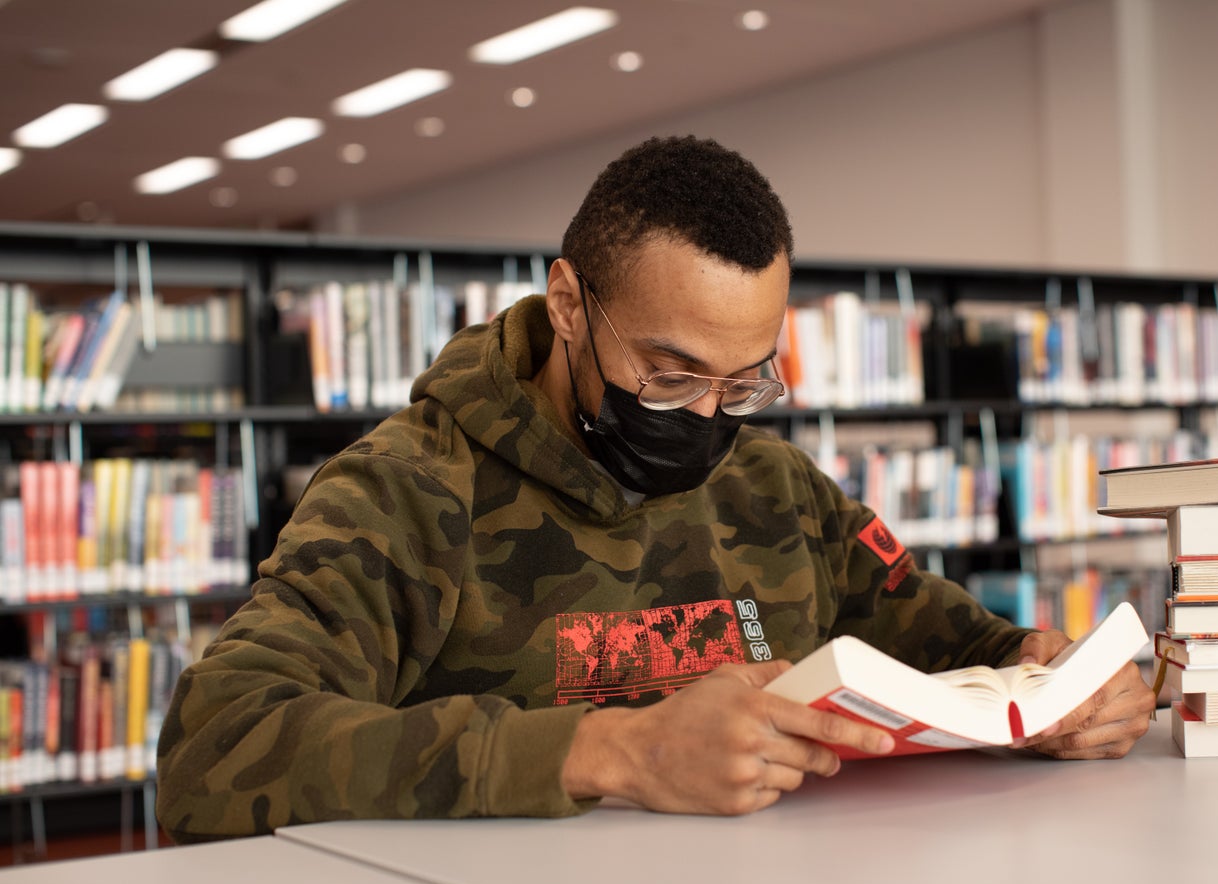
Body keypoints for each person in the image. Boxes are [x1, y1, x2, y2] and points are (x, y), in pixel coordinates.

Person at [156, 135, 1153, 842]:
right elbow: (213, 746)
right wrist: (610, 753)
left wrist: (1056, 695)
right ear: (568, 306)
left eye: (744, 380)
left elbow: (963, 649)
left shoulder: (776, 489)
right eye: (669, 375)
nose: (706, 417)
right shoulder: (407, 492)